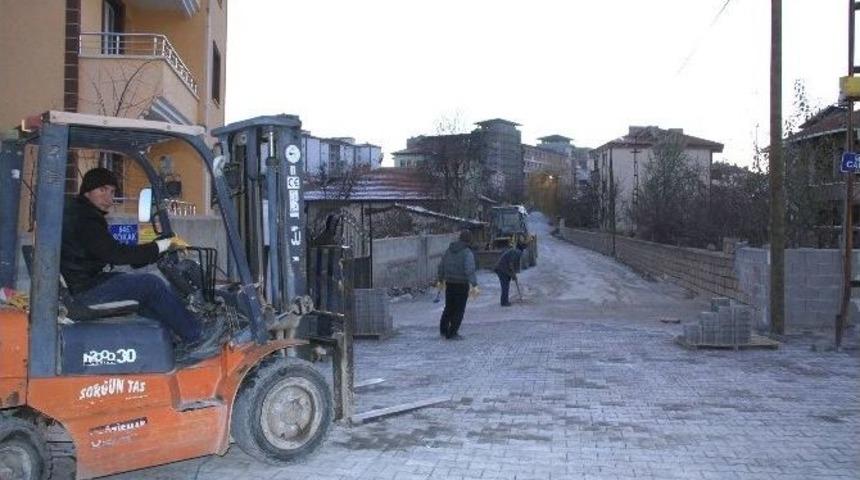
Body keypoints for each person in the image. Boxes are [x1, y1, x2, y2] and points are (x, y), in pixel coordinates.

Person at [60, 168, 224, 358]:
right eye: (102, 190)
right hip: (84, 292)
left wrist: (151, 250)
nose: (108, 198)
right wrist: (160, 246)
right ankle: (197, 336)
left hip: (81, 285)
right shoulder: (85, 219)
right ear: (87, 191)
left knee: (142, 291)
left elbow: (108, 251)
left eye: (112, 192)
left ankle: (173, 340)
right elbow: (117, 254)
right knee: (150, 284)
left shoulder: (80, 214)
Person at [436, 230, 478, 340]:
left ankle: (443, 330)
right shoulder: (467, 252)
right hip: (461, 284)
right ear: (469, 240)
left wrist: (440, 279)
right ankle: (452, 333)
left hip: (450, 283)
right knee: (459, 309)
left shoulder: (448, 251)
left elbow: (441, 266)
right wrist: (474, 284)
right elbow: (469, 269)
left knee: (449, 307)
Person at [494, 242, 526, 306]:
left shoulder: (514, 251)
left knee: (506, 286)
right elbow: (511, 264)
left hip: (502, 269)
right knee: (505, 286)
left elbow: (512, 265)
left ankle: (504, 301)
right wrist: (513, 275)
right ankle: (504, 302)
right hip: (502, 269)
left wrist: (513, 275)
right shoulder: (517, 252)